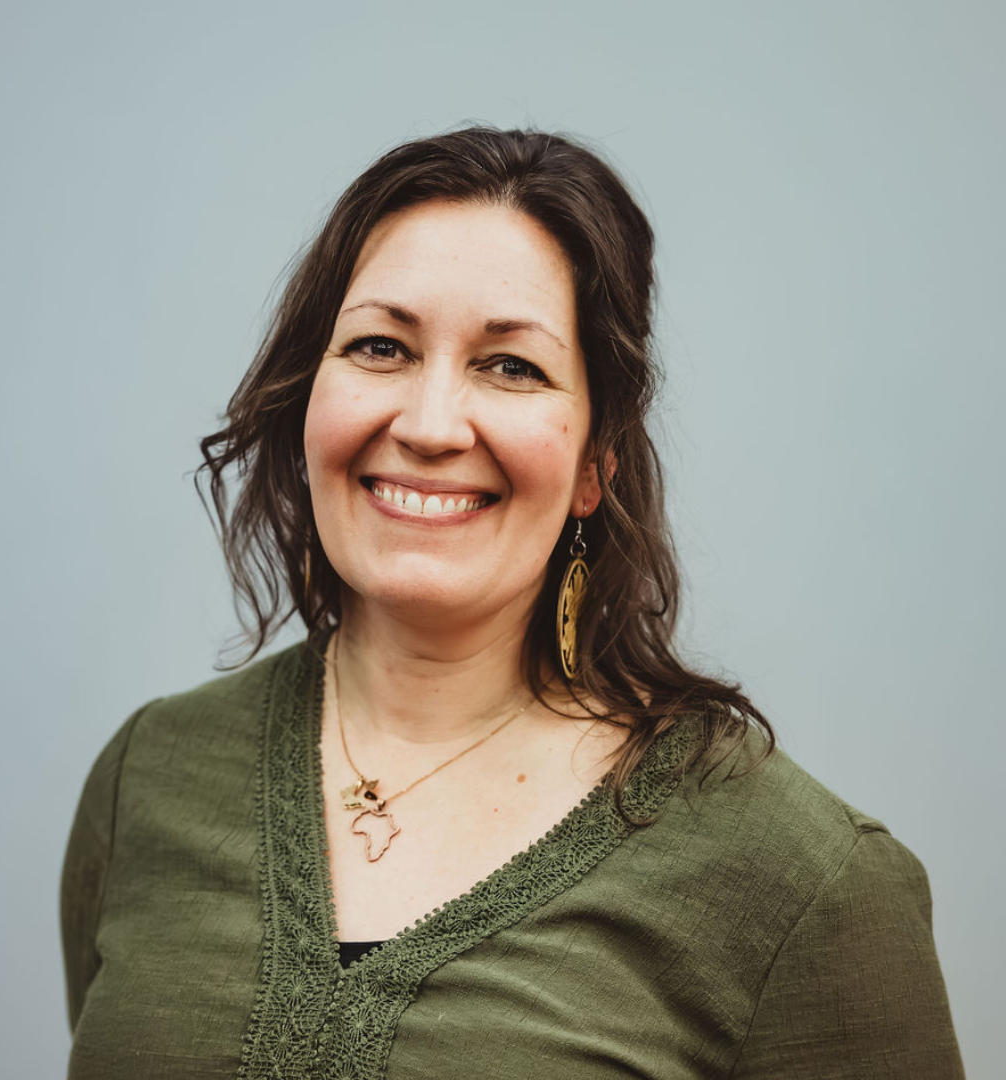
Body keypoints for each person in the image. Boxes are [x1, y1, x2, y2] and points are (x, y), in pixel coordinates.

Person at [60, 126, 965, 1079]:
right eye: (380, 347)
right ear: (306, 398)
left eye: (512, 367)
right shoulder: (149, 778)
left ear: (594, 464)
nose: (429, 425)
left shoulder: (804, 879)